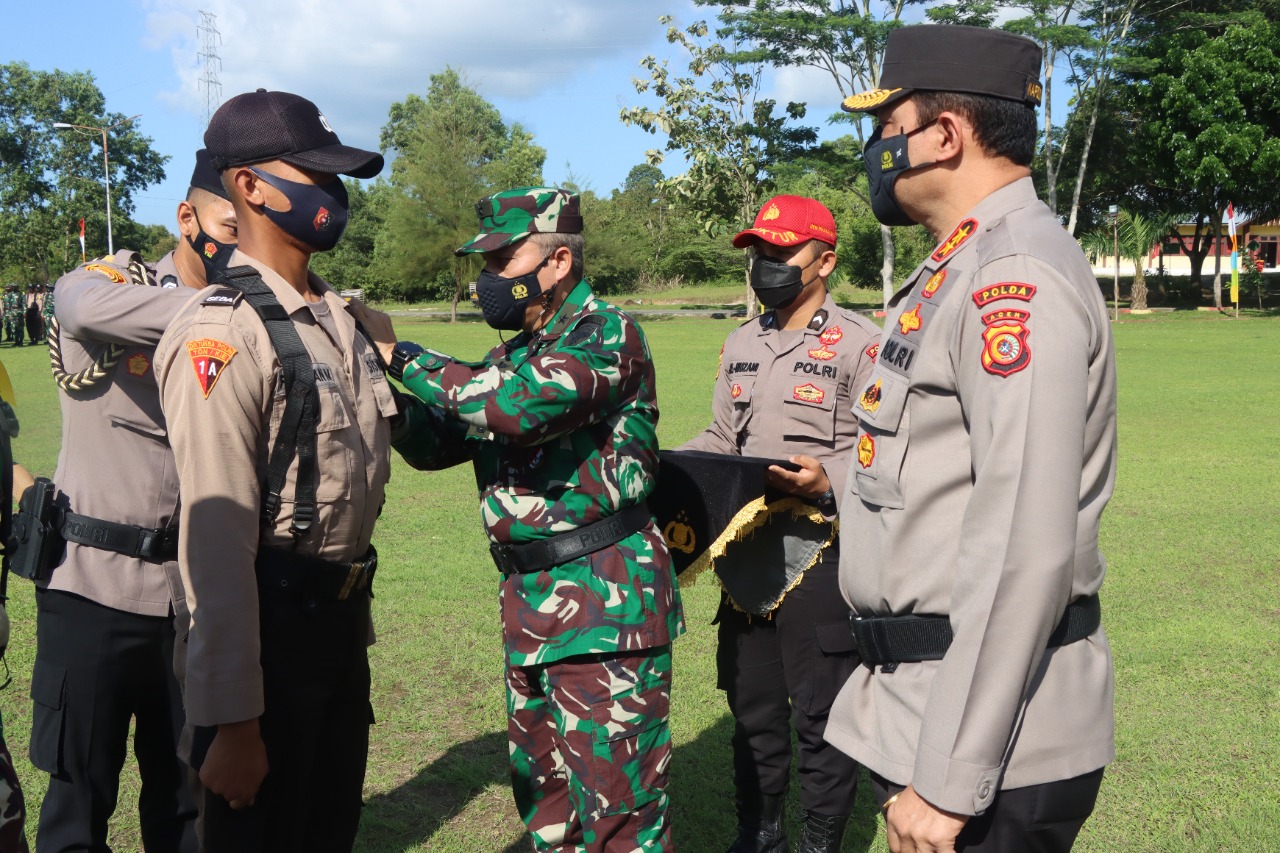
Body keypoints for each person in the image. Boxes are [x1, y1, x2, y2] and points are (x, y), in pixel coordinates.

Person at [828, 24, 1117, 853]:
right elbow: (933, 472)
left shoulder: (1009, 277)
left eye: (888, 128)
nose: (876, 151)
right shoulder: (961, 266)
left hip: (988, 749)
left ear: (945, 135)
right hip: (930, 706)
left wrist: (948, 780)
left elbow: (1025, 543)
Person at [355, 187, 685, 852]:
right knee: (549, 810)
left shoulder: (607, 336)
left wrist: (399, 353)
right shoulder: (515, 355)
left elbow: (513, 408)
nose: (488, 278)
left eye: (503, 259)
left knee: (620, 818)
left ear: (558, 261)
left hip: (604, 611)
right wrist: (376, 388)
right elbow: (440, 440)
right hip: (531, 609)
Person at [154, 89, 416, 852]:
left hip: (336, 632)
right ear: (250, 186)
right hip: (267, 645)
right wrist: (233, 721)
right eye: (315, 174)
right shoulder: (222, 332)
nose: (334, 193)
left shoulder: (345, 321)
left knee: (329, 831)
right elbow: (216, 546)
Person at [26, 148, 237, 853]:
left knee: (186, 802)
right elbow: (76, 302)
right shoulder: (120, 283)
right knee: (77, 803)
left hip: (189, 601)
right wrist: (232, 313)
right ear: (188, 218)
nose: (241, 246)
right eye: (228, 227)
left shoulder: (243, 322)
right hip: (91, 589)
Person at [679, 195, 880, 853]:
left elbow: (889, 450)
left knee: (822, 716)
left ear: (825, 261)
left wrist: (829, 480)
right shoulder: (743, 340)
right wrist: (671, 466)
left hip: (823, 552)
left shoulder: (862, 343)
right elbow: (722, 437)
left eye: (782, 250)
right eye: (759, 250)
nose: (766, 262)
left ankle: (820, 844)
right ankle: (759, 837)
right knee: (753, 710)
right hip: (746, 555)